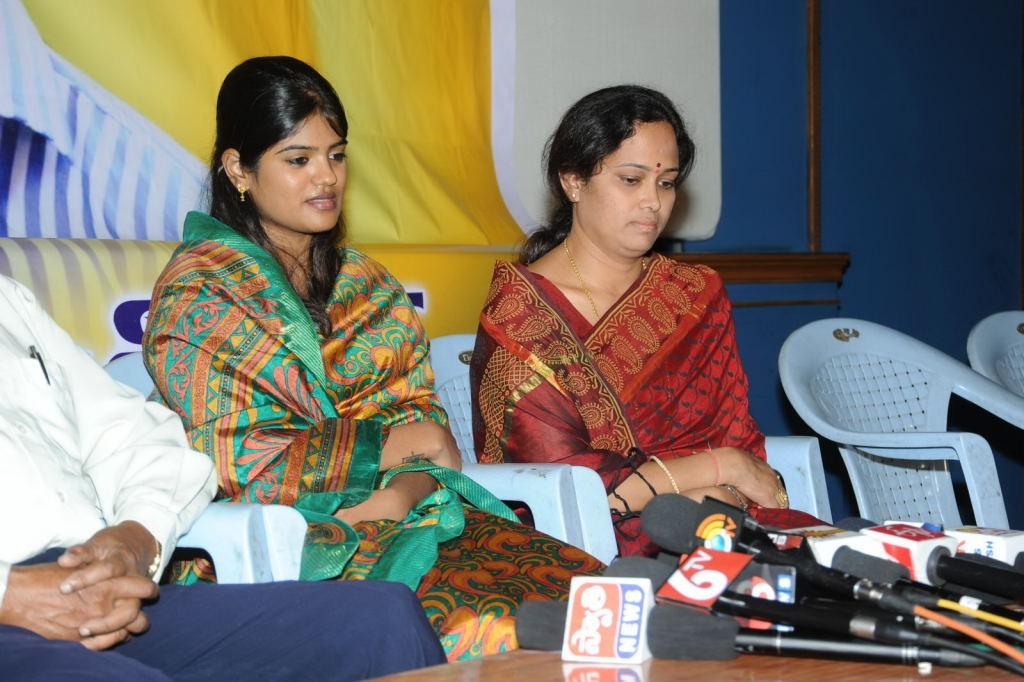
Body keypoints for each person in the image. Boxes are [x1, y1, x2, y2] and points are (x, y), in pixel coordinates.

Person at [142, 55, 602, 661]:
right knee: (508, 628)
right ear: (238, 169)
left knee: (593, 594)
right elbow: (233, 461)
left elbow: (428, 432)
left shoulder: (366, 284)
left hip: (417, 515)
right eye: (298, 159)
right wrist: (397, 452)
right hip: (276, 550)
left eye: (336, 155)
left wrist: (400, 492)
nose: (325, 178)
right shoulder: (200, 293)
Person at [0, 274, 446, 681]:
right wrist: (9, 596)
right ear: (238, 179)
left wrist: (136, 536)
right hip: (10, 608)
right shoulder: (200, 291)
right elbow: (232, 449)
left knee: (383, 618)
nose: (326, 179)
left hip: (95, 580)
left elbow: (138, 439)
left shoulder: (10, 302)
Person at [471, 85, 815, 559]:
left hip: (718, 514)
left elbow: (743, 448)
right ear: (573, 181)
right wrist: (720, 467)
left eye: (667, 182)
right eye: (631, 180)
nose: (653, 202)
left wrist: (725, 485)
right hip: (585, 539)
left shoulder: (694, 294)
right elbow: (565, 488)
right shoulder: (520, 315)